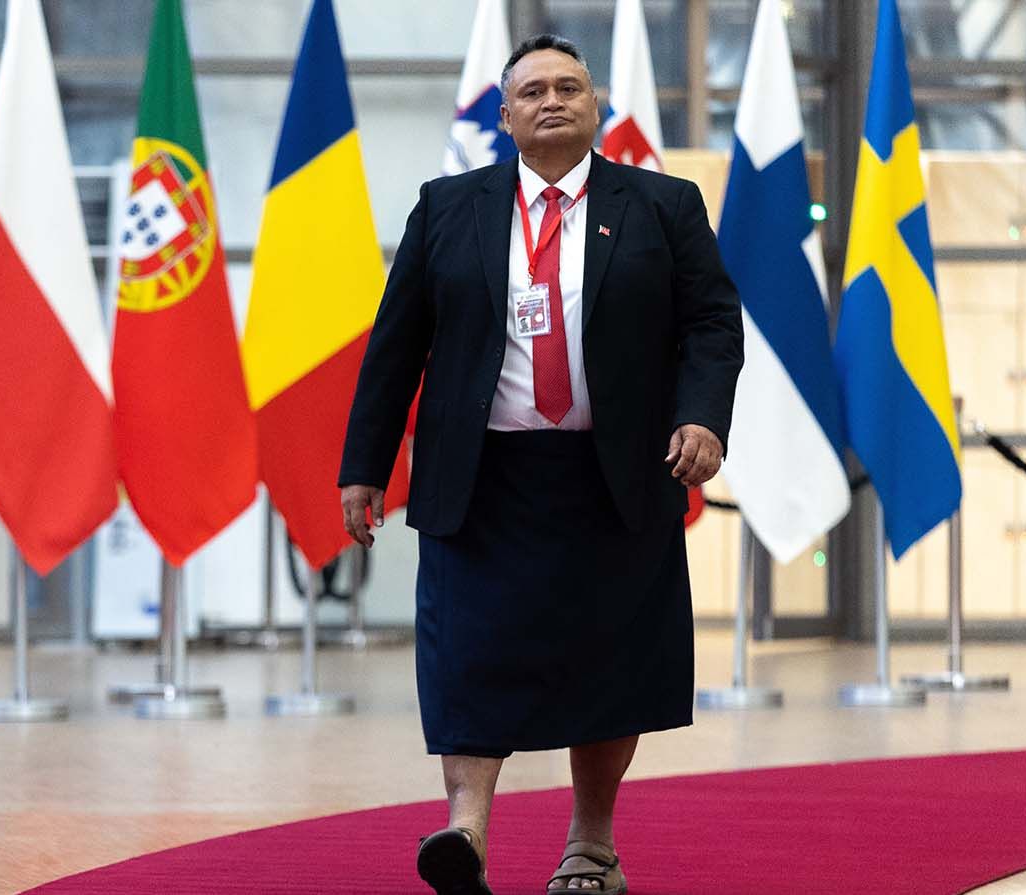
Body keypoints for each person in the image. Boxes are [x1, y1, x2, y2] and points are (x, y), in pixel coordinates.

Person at [337, 33, 743, 895]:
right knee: (471, 657)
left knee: (609, 667)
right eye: (532, 91)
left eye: (569, 87)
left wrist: (702, 416)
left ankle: (589, 848)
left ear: (595, 106)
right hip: (481, 480)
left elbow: (711, 322)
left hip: (613, 478)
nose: (552, 100)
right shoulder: (447, 207)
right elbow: (396, 344)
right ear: (505, 115)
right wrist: (363, 465)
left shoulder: (662, 205)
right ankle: (466, 832)